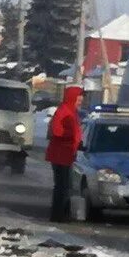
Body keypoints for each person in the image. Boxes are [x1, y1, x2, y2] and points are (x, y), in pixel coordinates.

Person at [45, 86, 83, 222]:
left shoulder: (72, 112)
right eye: (79, 96)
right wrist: (72, 137)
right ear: (72, 97)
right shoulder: (64, 111)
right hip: (60, 154)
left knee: (66, 186)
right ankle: (58, 214)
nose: (81, 99)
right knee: (62, 186)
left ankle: (62, 213)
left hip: (67, 154)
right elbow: (56, 131)